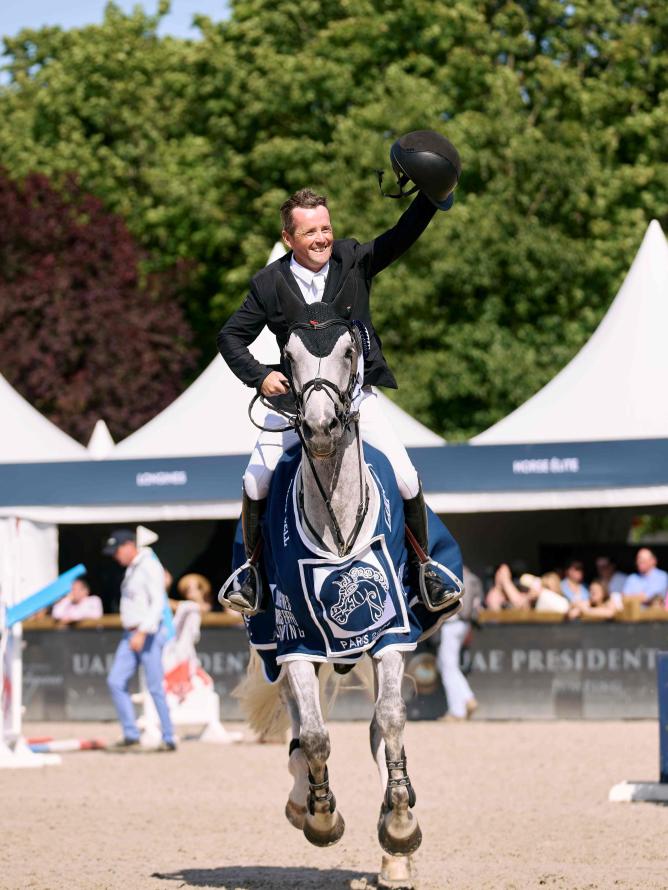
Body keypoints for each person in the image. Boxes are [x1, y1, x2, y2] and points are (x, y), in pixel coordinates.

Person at [217, 131, 461, 615]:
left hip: (356, 401)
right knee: (255, 481)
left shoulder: (352, 259)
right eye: (310, 233)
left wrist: (432, 200)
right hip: (294, 408)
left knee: (407, 477)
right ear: (289, 238)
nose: (322, 239)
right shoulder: (268, 284)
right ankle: (253, 578)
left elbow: (398, 238)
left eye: (325, 229)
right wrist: (261, 376)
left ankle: (423, 572)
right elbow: (229, 337)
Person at [103, 528, 176, 752]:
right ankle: (131, 733)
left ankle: (169, 737)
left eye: (117, 550)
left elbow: (157, 603)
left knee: (155, 687)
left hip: (148, 633)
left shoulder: (148, 566)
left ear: (129, 546)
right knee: (115, 681)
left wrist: (143, 632)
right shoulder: (134, 567)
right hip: (131, 632)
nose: (115, 556)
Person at [437, 566, 481, 721]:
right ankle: (466, 698)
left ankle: (458, 710)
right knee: (447, 665)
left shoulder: (457, 574)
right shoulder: (473, 577)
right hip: (463, 624)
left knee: (448, 667)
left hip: (453, 623)